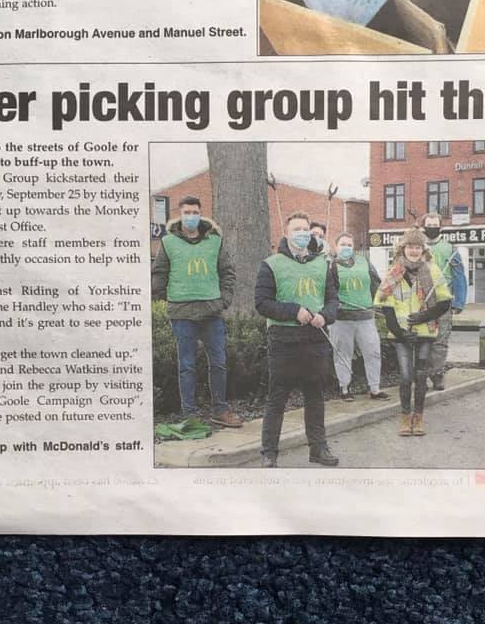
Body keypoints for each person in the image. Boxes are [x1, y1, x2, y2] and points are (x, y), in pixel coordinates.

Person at [255, 212, 340, 468]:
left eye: (306, 229)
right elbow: (262, 303)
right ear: (287, 233)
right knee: (277, 398)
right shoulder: (271, 264)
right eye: (297, 229)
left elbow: (334, 300)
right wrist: (294, 311)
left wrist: (325, 316)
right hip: (283, 340)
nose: (302, 234)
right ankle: (269, 452)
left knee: (315, 396)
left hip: (316, 339)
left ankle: (318, 449)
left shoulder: (322, 264)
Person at [150, 196, 243, 428]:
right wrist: (163, 297)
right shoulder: (168, 242)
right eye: (186, 212)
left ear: (201, 214)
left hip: (212, 311)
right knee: (187, 365)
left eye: (195, 212)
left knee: (219, 363)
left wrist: (224, 300)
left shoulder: (215, 241)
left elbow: (227, 272)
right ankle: (189, 414)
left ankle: (220, 410)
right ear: (179, 215)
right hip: (182, 313)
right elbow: (159, 273)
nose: (191, 216)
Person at [375, 228, 452, 437]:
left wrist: (424, 317)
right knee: (406, 376)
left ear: (423, 249)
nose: (414, 251)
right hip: (401, 334)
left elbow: (445, 302)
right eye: (410, 247)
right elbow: (385, 304)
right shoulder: (394, 272)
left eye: (418, 247)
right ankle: (404, 416)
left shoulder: (433, 270)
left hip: (425, 331)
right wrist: (398, 332)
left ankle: (418, 417)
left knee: (420, 375)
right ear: (403, 248)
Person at [329, 232, 389, 402]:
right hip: (341, 319)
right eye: (342, 244)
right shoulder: (331, 267)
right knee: (342, 353)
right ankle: (344, 388)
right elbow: (328, 291)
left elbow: (376, 284)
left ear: (353, 247)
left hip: (365, 317)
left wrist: (380, 303)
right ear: (336, 247)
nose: (346, 247)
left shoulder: (364, 262)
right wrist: (333, 303)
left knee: (373, 352)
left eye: (349, 244)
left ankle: (375, 388)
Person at [419, 213, 467, 390]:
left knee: (440, 340)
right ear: (423, 227)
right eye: (428, 224)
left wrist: (459, 302)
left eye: (435, 224)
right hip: (421, 302)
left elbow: (459, 276)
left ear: (441, 226)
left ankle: (437, 374)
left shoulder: (450, 248)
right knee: (422, 339)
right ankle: (422, 376)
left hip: (443, 301)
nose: (432, 227)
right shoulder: (417, 247)